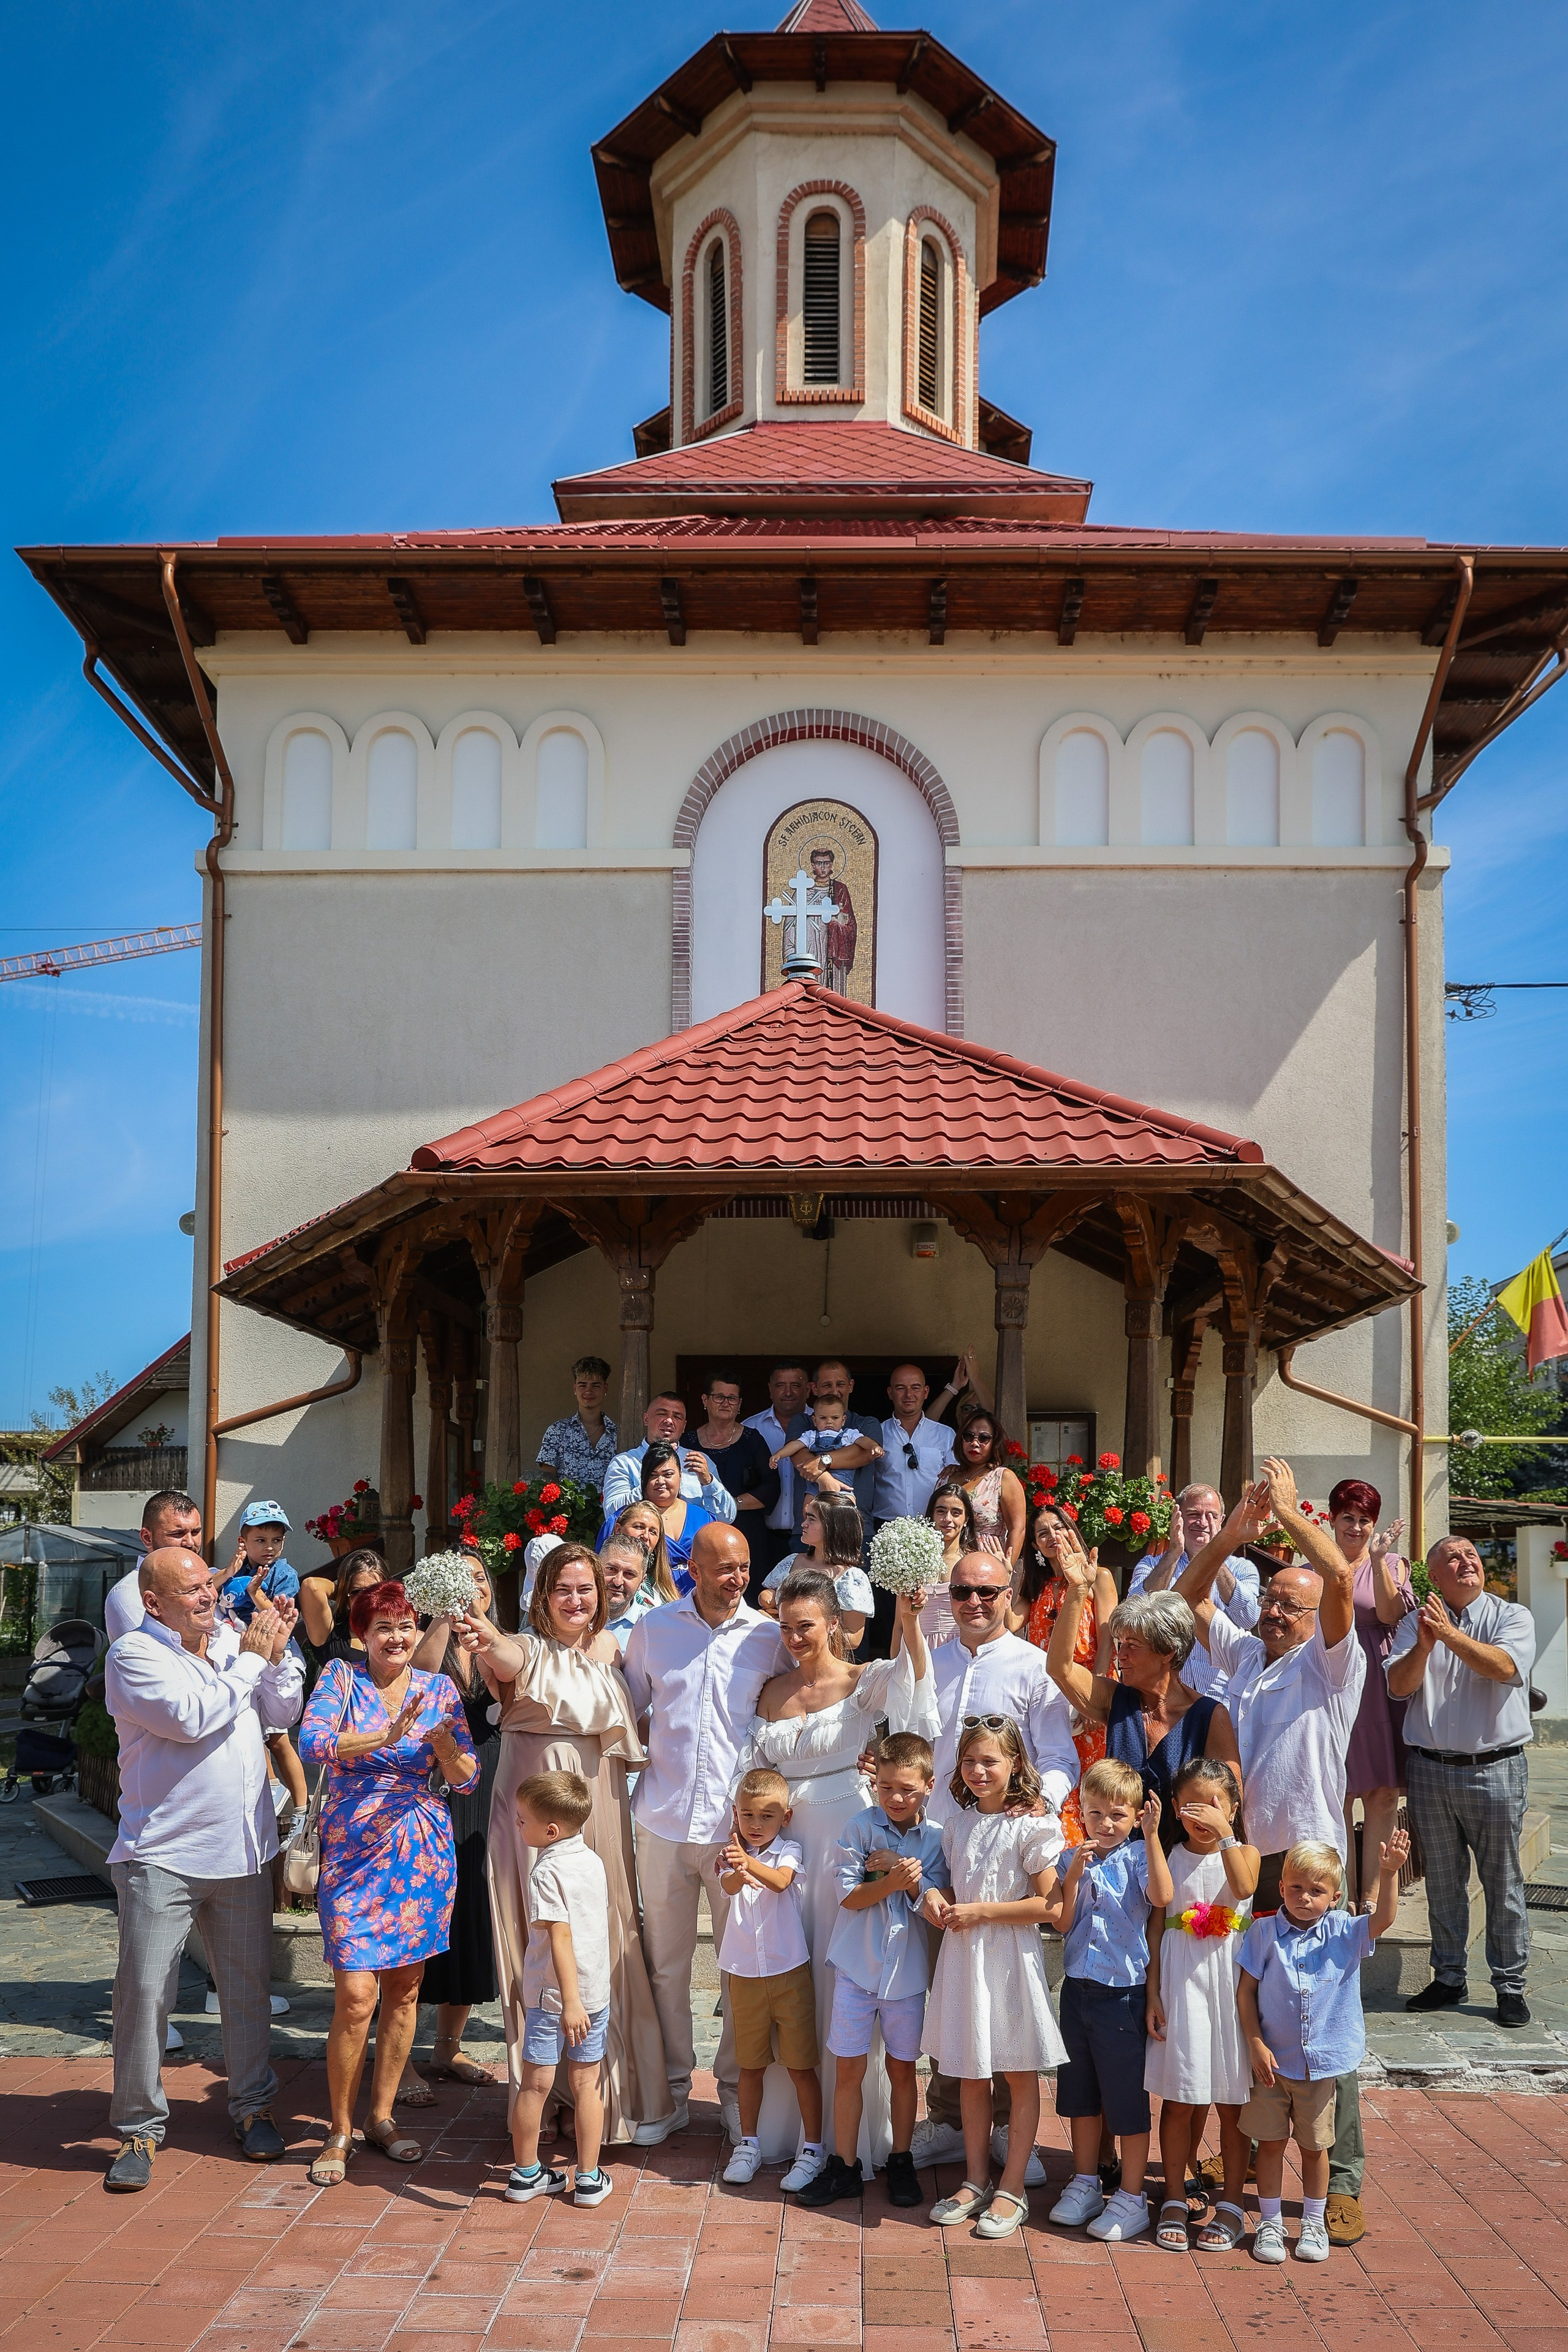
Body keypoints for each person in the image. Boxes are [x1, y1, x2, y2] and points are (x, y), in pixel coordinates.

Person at [1175, 1466, 1370, 2247]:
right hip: (1253, 1859)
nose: (1276, 1614)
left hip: (1315, 1857)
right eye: (1271, 1603)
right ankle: (1251, 2158)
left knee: (1327, 2019)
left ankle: (1343, 2178)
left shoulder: (1330, 1662)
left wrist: (1290, 1513)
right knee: (1255, 2002)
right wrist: (1234, 1536)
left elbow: (1341, 1575)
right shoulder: (1245, 1660)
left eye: (1289, 1604)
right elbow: (1188, 1599)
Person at [102, 1548, 302, 2191]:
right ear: (153, 1602)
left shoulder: (230, 1644)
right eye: (189, 1589)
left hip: (241, 1850)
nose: (206, 1594)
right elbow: (191, 1720)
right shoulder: (134, 1655)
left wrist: (279, 1658)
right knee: (146, 1993)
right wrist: (250, 1660)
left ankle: (252, 2107)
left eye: (205, 1583)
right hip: (162, 1854)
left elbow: (281, 1715)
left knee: (245, 1991)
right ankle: (138, 2127)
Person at [461, 1543, 672, 2147]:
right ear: (542, 1597)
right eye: (563, 1590)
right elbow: (501, 1657)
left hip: (600, 1800)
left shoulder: (615, 1651)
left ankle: (609, 2086)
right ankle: (542, 2088)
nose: (576, 1600)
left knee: (601, 1929)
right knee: (539, 1935)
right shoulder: (527, 1646)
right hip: (532, 1804)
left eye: (586, 1589)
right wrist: (481, 1628)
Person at [736, 1567, 937, 2173]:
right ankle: (792, 2128)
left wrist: (908, 1620)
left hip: (846, 1831)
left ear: (832, 1624)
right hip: (785, 1843)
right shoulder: (769, 1693)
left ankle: (851, 2134)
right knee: (791, 1971)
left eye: (807, 1626)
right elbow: (750, 1772)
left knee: (842, 1969)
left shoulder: (862, 1679)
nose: (796, 1638)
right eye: (786, 1628)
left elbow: (913, 1688)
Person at [298, 1581, 478, 2185]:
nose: (397, 1636)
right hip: (351, 1852)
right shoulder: (341, 1680)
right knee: (355, 1994)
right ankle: (339, 2129)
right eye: (384, 1627)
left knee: (404, 1988)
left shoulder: (440, 1688)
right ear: (362, 1635)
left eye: (405, 1625)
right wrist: (388, 1735)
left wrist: (444, 1744)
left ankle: (381, 2117)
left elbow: (468, 1777)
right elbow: (314, 1742)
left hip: (420, 1850)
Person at [911, 1547, 1079, 2178]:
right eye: (962, 1592)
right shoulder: (927, 1661)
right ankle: (951, 2121)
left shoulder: (1035, 1667)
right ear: (947, 1597)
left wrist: (1037, 1802)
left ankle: (1012, 2133)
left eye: (987, 1591)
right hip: (938, 1843)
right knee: (948, 1991)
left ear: (1009, 1593)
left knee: (1003, 1997)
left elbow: (1059, 1755)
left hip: (1006, 1848)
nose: (975, 1603)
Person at [620, 1523, 790, 2143]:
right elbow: (626, 1708)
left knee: (738, 1968)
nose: (736, 1579)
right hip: (661, 1821)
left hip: (735, 1834)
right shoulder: (653, 1630)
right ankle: (667, 2096)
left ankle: (733, 2094)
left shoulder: (769, 1638)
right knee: (663, 1966)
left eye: (744, 1568)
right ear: (693, 1567)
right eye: (724, 1568)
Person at [920, 1716, 1066, 2240]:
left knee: (1019, 2072)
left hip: (1007, 1957)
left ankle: (1013, 2188)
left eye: (991, 1761)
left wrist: (982, 1912)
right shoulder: (957, 1824)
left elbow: (1053, 1906)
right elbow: (940, 1879)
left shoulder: (1031, 1824)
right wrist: (935, 1898)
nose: (979, 1771)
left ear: (1016, 1765)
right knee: (971, 2071)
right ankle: (975, 2178)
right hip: (964, 1960)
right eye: (969, 1761)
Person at [1238, 1830, 1410, 2266]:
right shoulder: (1262, 1933)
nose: (1304, 1897)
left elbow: (1384, 1920)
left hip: (1319, 2069)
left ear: (1334, 1897)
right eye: (1295, 1887)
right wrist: (1255, 2043)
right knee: (1272, 2145)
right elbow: (1245, 1994)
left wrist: (1388, 1873)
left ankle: (1313, 2220)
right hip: (1272, 2067)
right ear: (1281, 1888)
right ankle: (1272, 2223)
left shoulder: (1344, 1933)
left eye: (1317, 1891)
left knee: (1315, 2148)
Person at [1387, 1532, 1538, 2029]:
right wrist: (1426, 1646)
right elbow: (1398, 1686)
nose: (1465, 1560)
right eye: (1452, 1557)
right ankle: (1449, 1976)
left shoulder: (1512, 1617)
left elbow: (1504, 1668)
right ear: (1435, 1576)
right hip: (1430, 1769)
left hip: (1495, 1768)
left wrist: (1449, 1637)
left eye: (1471, 1554)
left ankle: (1510, 1985)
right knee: (1445, 1883)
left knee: (1503, 1882)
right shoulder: (1414, 1624)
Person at [801, 1730, 948, 2211]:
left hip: (906, 1980)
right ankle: (845, 2166)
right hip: (856, 1973)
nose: (896, 1798)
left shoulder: (937, 1841)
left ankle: (901, 2158)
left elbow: (936, 1905)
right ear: (874, 1783)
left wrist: (911, 1878)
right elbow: (849, 1895)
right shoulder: (859, 1829)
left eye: (907, 1788)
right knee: (849, 2068)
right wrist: (888, 1881)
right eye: (886, 1787)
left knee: (903, 2069)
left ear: (928, 1784)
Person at [1044, 1531, 1241, 1851]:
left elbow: (1231, 1805)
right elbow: (1060, 1668)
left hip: (1181, 1871)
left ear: (1168, 1651)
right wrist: (1079, 1590)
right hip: (1121, 1873)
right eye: (1120, 1645)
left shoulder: (1209, 1716)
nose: (1120, 1656)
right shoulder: (1115, 1700)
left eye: (1133, 1646)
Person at [1047, 1761, 1172, 2245]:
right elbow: (1061, 1924)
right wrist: (1074, 1875)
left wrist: (1154, 1835)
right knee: (1080, 2094)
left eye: (1116, 1815)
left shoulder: (1140, 1856)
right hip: (1078, 1989)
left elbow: (1162, 1895)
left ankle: (1133, 2195)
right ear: (1080, 1810)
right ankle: (1085, 2182)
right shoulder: (1070, 1859)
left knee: (1125, 2096)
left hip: (1122, 1994)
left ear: (1136, 1815)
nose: (1104, 1824)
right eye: (1095, 1812)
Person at [1144, 1757, 1259, 2253]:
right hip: (1181, 1984)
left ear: (1234, 1808)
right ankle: (1173, 2194)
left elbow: (1244, 1888)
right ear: (1175, 1807)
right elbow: (1156, 1922)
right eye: (1193, 1805)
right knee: (1180, 2096)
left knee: (1233, 2103)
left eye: (1216, 1804)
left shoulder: (1246, 1853)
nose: (1205, 1815)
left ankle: (1232, 2203)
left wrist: (1227, 1835)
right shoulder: (1169, 1853)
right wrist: (1152, 1991)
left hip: (1229, 1988)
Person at [407, 1552, 503, 2092]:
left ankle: (448, 2049)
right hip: (433, 1784)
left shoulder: (496, 1639)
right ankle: (399, 2054)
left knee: (471, 1908)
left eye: (480, 1579)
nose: (473, 1587)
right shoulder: (424, 1637)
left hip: (488, 1778)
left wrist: (481, 1630)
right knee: (427, 1911)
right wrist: (445, 1615)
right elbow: (418, 1677)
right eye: (459, 1579)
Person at [505, 1770, 614, 2209]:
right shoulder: (592, 1860)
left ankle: (527, 2173)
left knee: (535, 2087)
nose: (517, 1824)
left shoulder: (546, 1872)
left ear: (550, 1831)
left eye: (522, 1819)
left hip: (555, 1999)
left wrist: (569, 2002)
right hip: (594, 1993)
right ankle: (588, 2179)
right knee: (588, 2085)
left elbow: (560, 1938)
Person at [716, 1768, 824, 2193]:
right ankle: (749, 2143)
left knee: (801, 2066)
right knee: (750, 2066)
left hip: (789, 1972)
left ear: (786, 1817)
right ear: (736, 1815)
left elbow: (781, 1883)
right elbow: (726, 1884)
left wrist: (750, 1863)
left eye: (767, 1816)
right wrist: (736, 1864)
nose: (756, 1825)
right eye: (747, 1815)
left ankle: (812, 2148)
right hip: (743, 1976)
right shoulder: (731, 1855)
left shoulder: (789, 1850)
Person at [1017, 1500, 1120, 1843]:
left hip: (1089, 1685)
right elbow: (1009, 1624)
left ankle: (1094, 1851)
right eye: (1042, 1533)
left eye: (1059, 1527)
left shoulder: (1099, 1577)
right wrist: (1007, 1575)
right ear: (1035, 1546)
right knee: (1055, 1770)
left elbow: (1108, 1637)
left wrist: (1095, 1694)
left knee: (1093, 1778)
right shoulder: (1039, 1588)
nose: (1053, 1537)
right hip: (1048, 1696)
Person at [1332, 1482, 1414, 1911]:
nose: (1357, 1527)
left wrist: (1379, 1561)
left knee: (1382, 1794)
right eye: (1348, 1517)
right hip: (1333, 1684)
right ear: (1331, 1519)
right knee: (1338, 1793)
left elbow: (1388, 1613)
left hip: (1379, 1686)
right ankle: (1339, 1892)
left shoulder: (1395, 1563)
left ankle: (1372, 1897)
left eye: (1365, 1520)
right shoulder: (1316, 1565)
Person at [1126, 1485, 1261, 1703]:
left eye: (1212, 1516)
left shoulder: (1242, 1569)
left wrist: (1216, 1552)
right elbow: (1134, 1617)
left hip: (1221, 1694)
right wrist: (1173, 1553)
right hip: (1162, 1696)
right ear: (1177, 1516)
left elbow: (1247, 1618)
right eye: (1193, 1515)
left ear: (1222, 1520)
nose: (1203, 1523)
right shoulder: (1151, 1565)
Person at [217, 1501, 307, 1813]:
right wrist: (227, 1571)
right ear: (243, 1541)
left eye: (277, 1541)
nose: (270, 1548)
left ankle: (299, 1805)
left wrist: (257, 1595)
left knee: (279, 1735)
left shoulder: (284, 1574)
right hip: (239, 1651)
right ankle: (266, 1786)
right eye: (261, 1540)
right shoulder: (234, 1569)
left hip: (273, 1653)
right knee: (249, 1723)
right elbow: (207, 1590)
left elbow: (283, 1618)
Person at [868, 1365, 957, 1657]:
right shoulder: (876, 1434)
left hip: (931, 1532)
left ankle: (930, 1660)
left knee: (928, 1604)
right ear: (890, 1393)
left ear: (926, 1392)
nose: (909, 1395)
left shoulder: (944, 1436)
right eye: (902, 1388)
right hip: (886, 1530)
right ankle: (888, 1664)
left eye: (916, 1388)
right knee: (885, 1607)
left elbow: (955, 1482)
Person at [759, 1491, 875, 1649]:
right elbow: (769, 1594)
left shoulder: (852, 1579)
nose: (804, 1524)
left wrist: (806, 1632)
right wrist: (769, 1602)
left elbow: (853, 1639)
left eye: (811, 1519)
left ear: (833, 1528)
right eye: (806, 1517)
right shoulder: (792, 1561)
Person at [601, 1395, 736, 1523]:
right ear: (646, 1419)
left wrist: (708, 1482)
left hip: (693, 1544)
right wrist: (648, 1485)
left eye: (677, 1416)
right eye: (662, 1414)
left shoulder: (699, 1461)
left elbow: (727, 1517)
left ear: (683, 1426)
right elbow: (613, 1513)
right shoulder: (624, 1463)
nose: (669, 1421)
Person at [694, 1371, 780, 1571]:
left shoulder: (753, 1440)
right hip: (701, 1532)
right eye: (719, 1397)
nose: (726, 1403)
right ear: (705, 1400)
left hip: (748, 1533)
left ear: (739, 1404)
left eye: (732, 1398)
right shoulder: (688, 1443)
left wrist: (732, 1504)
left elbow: (771, 1487)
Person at [783, 1362, 883, 1534]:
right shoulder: (803, 1422)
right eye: (827, 1385)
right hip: (808, 1530)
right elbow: (800, 1458)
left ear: (850, 1386)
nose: (834, 1390)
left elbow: (864, 1454)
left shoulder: (867, 1423)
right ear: (814, 1388)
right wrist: (825, 1480)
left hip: (857, 1530)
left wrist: (822, 1461)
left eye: (841, 1384)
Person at [743, 1360, 812, 1588]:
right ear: (770, 1389)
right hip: (763, 1538)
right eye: (781, 1385)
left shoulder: (823, 1425)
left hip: (810, 1540)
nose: (789, 1392)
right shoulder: (750, 1429)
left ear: (809, 1389)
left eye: (796, 1385)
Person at [103, 1488, 205, 1641]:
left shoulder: (211, 1581)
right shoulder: (129, 1594)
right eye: (177, 1534)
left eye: (196, 1532)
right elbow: (153, 1654)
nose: (190, 1542)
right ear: (147, 1538)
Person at [891, 1481, 978, 1655]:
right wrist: (894, 1666)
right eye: (941, 1511)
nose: (948, 1519)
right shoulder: (912, 1561)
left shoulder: (972, 1561)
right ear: (932, 1515)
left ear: (966, 1519)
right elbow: (899, 1624)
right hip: (916, 1648)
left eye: (956, 1513)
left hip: (959, 1650)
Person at [297, 1546, 386, 1690]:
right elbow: (311, 1586)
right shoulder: (331, 1635)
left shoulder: (399, 1631)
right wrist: (343, 1594)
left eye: (373, 1591)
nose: (365, 1599)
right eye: (357, 1592)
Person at [769, 1395, 884, 1507]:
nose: (829, 1422)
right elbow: (795, 1445)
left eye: (835, 1418)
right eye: (823, 1418)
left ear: (843, 1420)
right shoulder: (811, 1436)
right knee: (807, 1507)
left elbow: (863, 1441)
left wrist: (874, 1446)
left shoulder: (849, 1434)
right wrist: (779, 1454)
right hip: (815, 1482)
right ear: (815, 1420)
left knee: (848, 1507)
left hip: (843, 1481)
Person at [947, 1409, 1027, 1564]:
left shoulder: (1003, 1478)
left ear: (994, 1443)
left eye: (984, 1438)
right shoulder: (948, 1477)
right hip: (948, 1564)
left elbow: (1018, 1529)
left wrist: (1006, 1568)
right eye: (968, 1436)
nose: (975, 1443)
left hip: (987, 1566)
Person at [635, 1439, 720, 1586]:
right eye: (653, 1475)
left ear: (680, 1476)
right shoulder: (629, 1520)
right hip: (649, 1600)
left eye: (668, 1474)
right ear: (643, 1479)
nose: (660, 1481)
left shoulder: (704, 1518)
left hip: (697, 1599)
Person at [537, 1354, 618, 1496]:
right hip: (568, 1515)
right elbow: (547, 1482)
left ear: (605, 1389)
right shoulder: (557, 1431)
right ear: (575, 1389)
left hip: (609, 1516)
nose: (588, 1391)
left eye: (596, 1385)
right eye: (583, 1385)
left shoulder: (619, 1434)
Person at [597, 1501, 680, 1605]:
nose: (645, 1536)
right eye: (639, 1527)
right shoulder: (595, 1576)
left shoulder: (665, 1587)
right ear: (618, 1530)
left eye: (653, 1532)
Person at [597, 1536, 660, 1653]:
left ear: (642, 1581)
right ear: (596, 1569)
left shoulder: (652, 1629)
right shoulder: (572, 1616)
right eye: (611, 1569)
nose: (618, 1581)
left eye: (629, 1574)